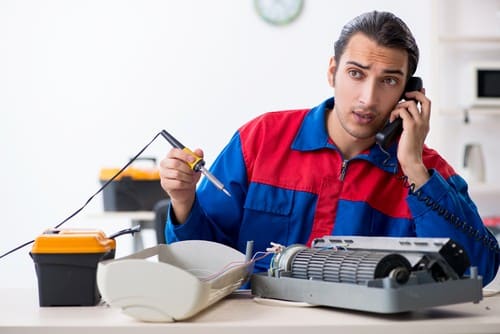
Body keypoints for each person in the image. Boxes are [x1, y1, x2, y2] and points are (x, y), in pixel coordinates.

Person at [159, 11, 499, 285]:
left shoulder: (427, 171)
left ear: (409, 93)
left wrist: (412, 167)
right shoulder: (260, 139)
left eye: (389, 81)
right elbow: (200, 260)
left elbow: (478, 271)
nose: (368, 98)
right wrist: (184, 202)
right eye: (356, 74)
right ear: (333, 71)